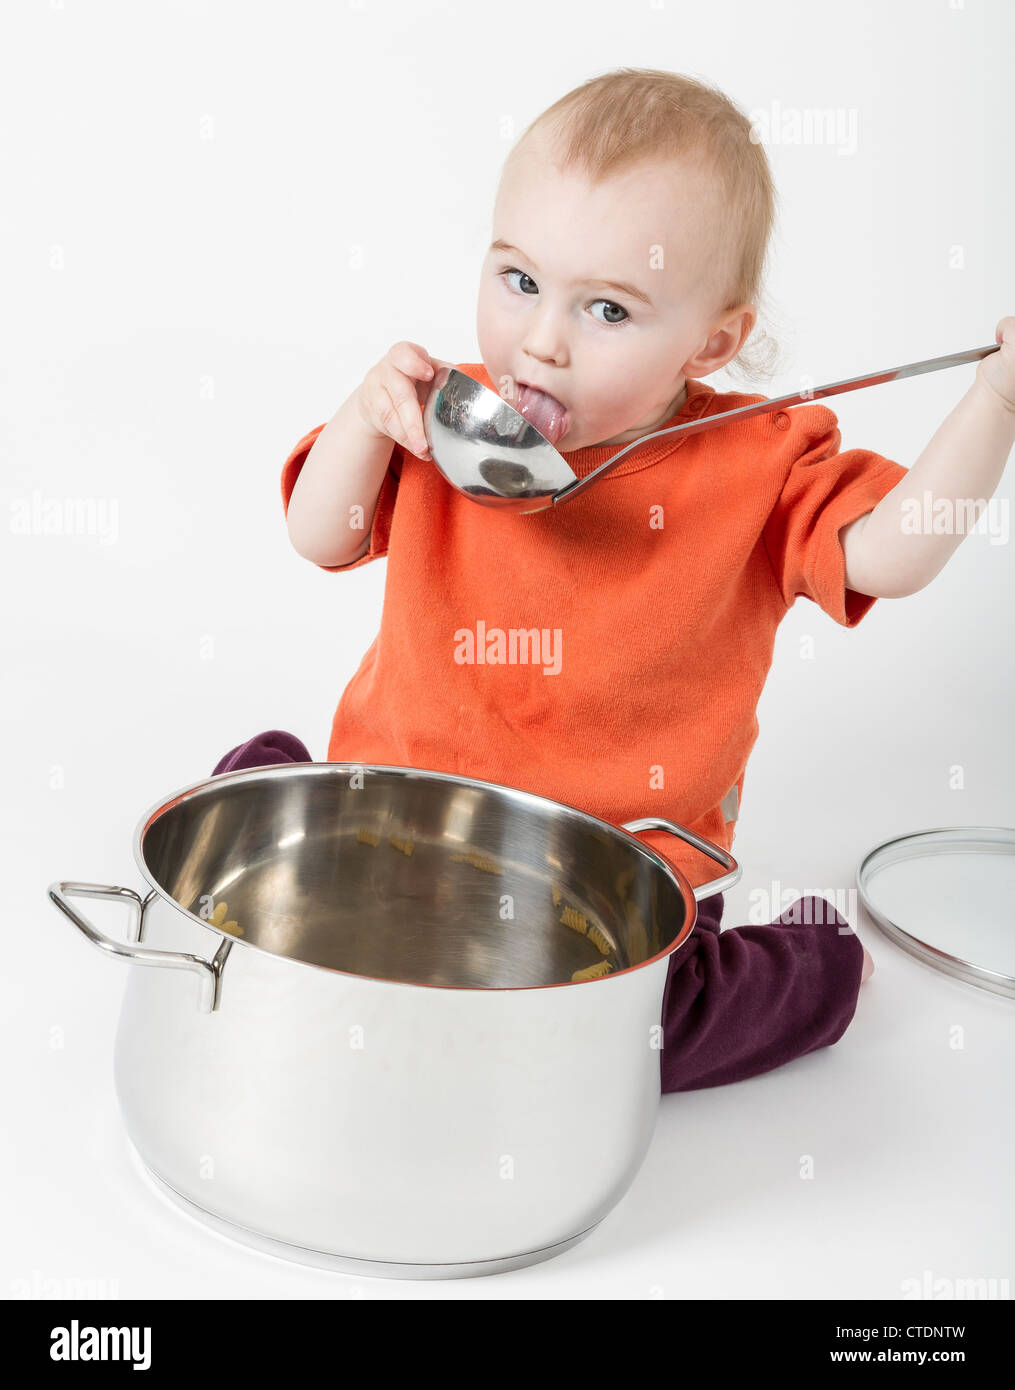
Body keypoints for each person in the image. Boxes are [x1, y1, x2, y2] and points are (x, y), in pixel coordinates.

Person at [215, 69, 1015, 1091]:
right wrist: (365, 420)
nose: (541, 340)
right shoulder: (449, 423)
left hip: (611, 882)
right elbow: (317, 535)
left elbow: (893, 551)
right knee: (312, 941)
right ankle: (281, 780)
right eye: (518, 281)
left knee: (628, 1048)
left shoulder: (759, 463)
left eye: (605, 308)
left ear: (714, 340)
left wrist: (994, 402)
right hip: (397, 832)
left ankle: (805, 968)